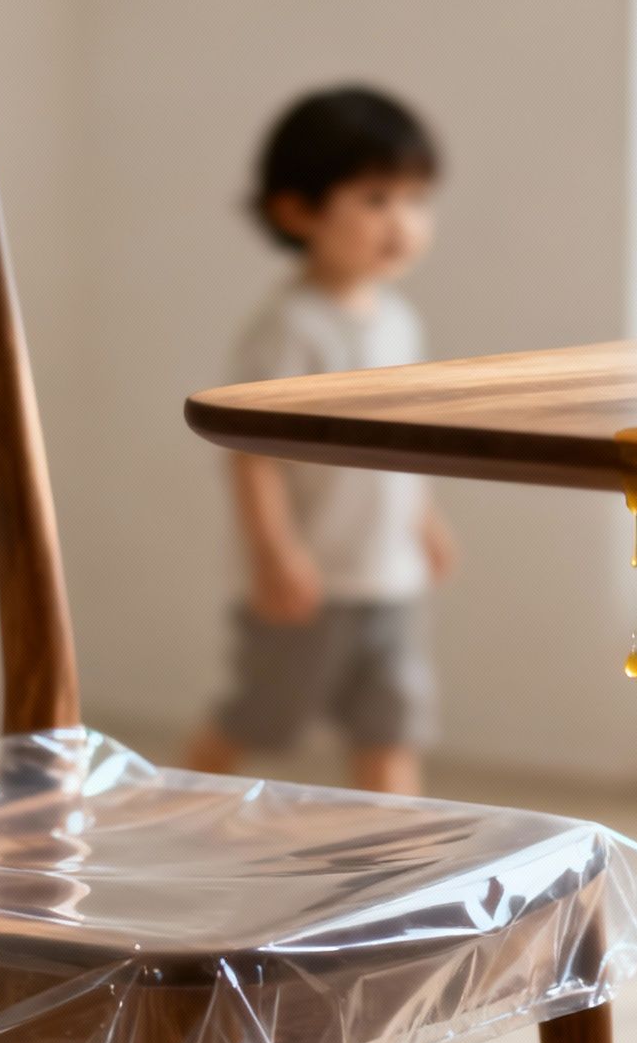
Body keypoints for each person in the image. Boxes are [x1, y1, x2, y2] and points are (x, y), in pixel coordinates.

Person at [185, 85, 456, 796]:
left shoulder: (399, 321)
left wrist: (423, 524)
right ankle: (169, 811)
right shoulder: (290, 327)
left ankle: (403, 875)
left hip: (388, 578)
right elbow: (251, 456)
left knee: (393, 726)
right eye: (375, 199)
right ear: (297, 210)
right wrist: (274, 554)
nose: (401, 222)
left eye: (415, 199)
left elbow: (403, 446)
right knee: (256, 718)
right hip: (310, 583)